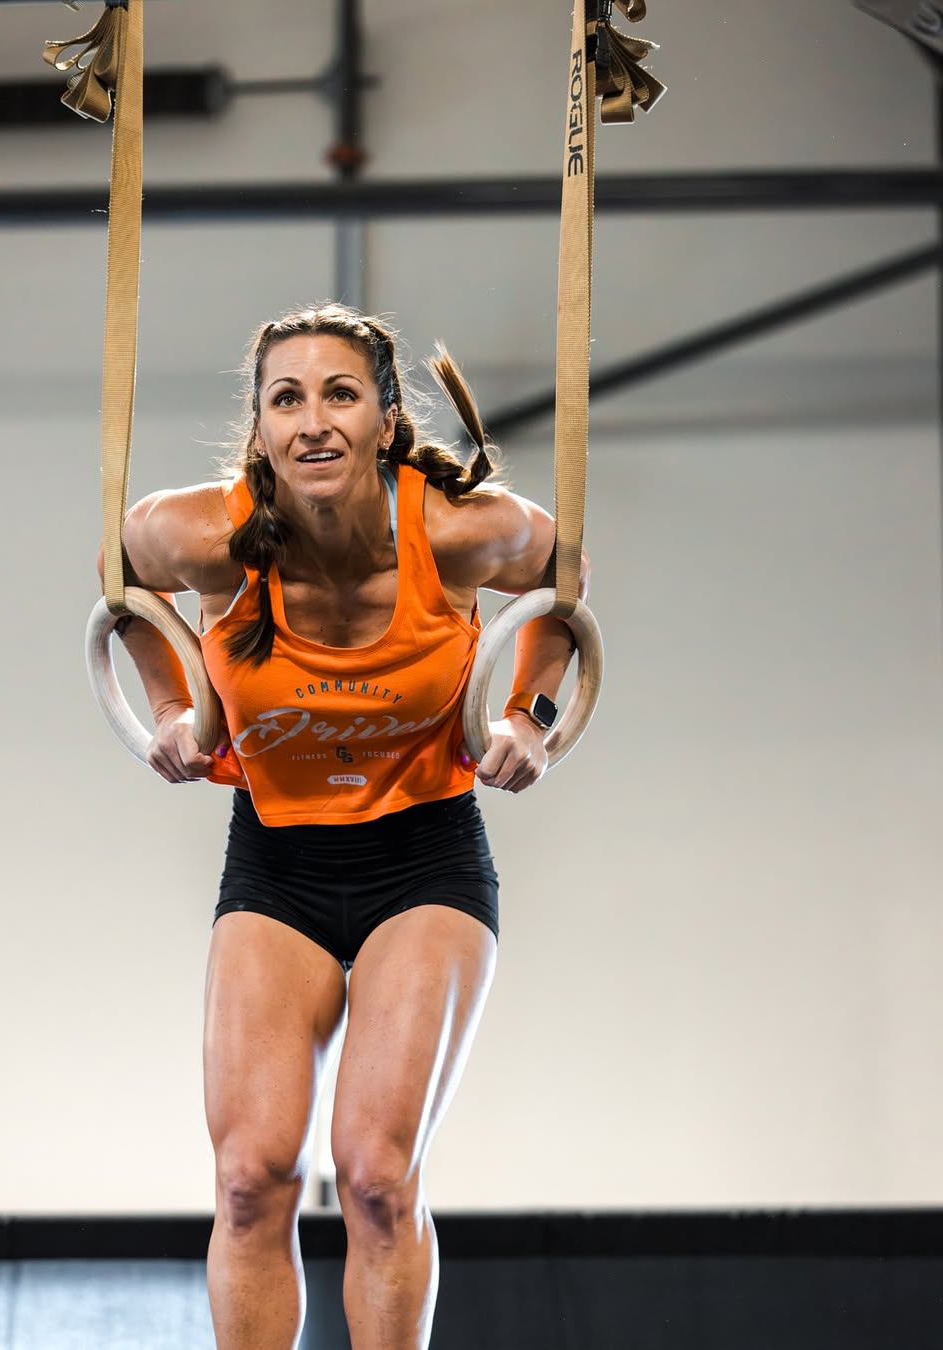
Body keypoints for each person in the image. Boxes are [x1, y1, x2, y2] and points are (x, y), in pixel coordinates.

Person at [106, 303, 589, 1350]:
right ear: (260, 426)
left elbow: (566, 583)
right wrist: (176, 703)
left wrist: (531, 718)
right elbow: (125, 569)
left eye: (339, 394)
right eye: (287, 398)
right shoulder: (209, 535)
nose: (313, 420)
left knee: (374, 1176)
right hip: (277, 863)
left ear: (383, 420)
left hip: (423, 858)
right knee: (248, 1180)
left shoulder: (457, 532)